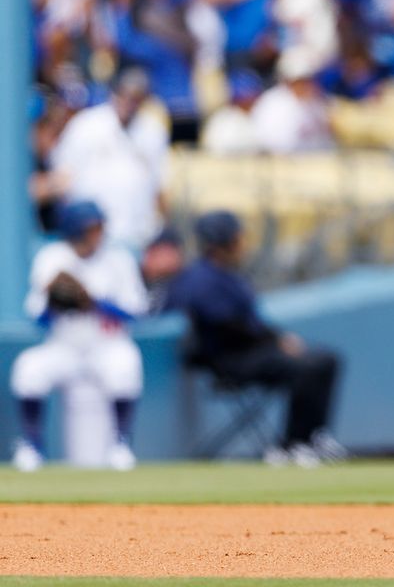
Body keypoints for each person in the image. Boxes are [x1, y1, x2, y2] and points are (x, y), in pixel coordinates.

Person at [166, 210, 344, 465]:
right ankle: (291, 445)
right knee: (304, 367)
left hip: (253, 351)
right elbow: (229, 327)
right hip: (230, 359)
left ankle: (313, 436)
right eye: (238, 238)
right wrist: (275, 342)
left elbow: (252, 323)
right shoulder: (201, 278)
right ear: (222, 242)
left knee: (325, 359)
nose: (243, 244)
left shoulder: (231, 275)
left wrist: (278, 339)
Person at [10, 201, 149, 472]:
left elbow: (136, 311)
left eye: (99, 227)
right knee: (28, 368)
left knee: (125, 365)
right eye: (92, 227)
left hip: (107, 344)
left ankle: (121, 444)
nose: (98, 233)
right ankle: (32, 446)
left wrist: (93, 302)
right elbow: (38, 317)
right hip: (64, 345)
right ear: (75, 229)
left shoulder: (117, 258)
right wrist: (56, 303)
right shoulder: (52, 257)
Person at [49, 68, 169, 251]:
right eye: (124, 94)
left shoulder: (153, 131)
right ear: (114, 93)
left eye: (136, 97)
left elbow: (159, 186)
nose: (129, 102)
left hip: (138, 235)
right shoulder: (86, 125)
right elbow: (61, 175)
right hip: (90, 237)